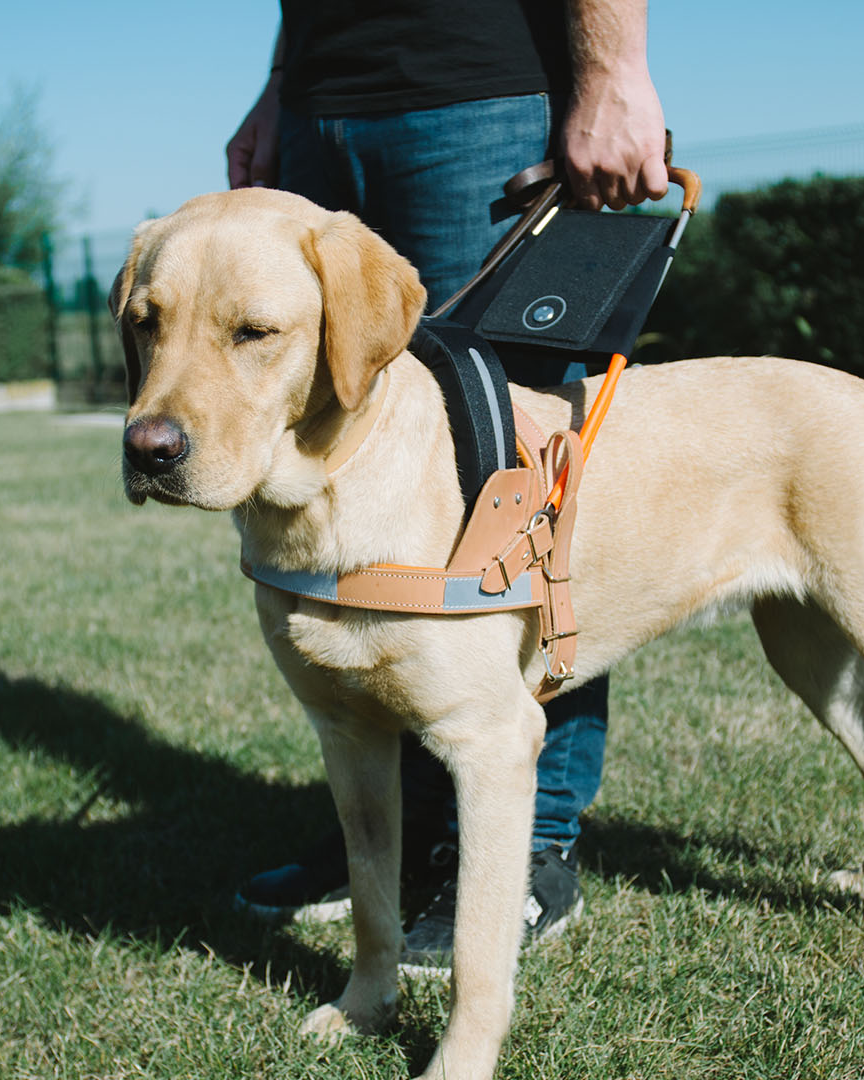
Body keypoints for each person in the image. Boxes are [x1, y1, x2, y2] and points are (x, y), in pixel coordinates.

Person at [224, 0, 668, 974]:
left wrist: (615, 67)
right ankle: (390, 842)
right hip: (321, 99)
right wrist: (280, 83)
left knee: (511, 481)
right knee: (366, 465)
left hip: (477, 88)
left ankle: (533, 841)